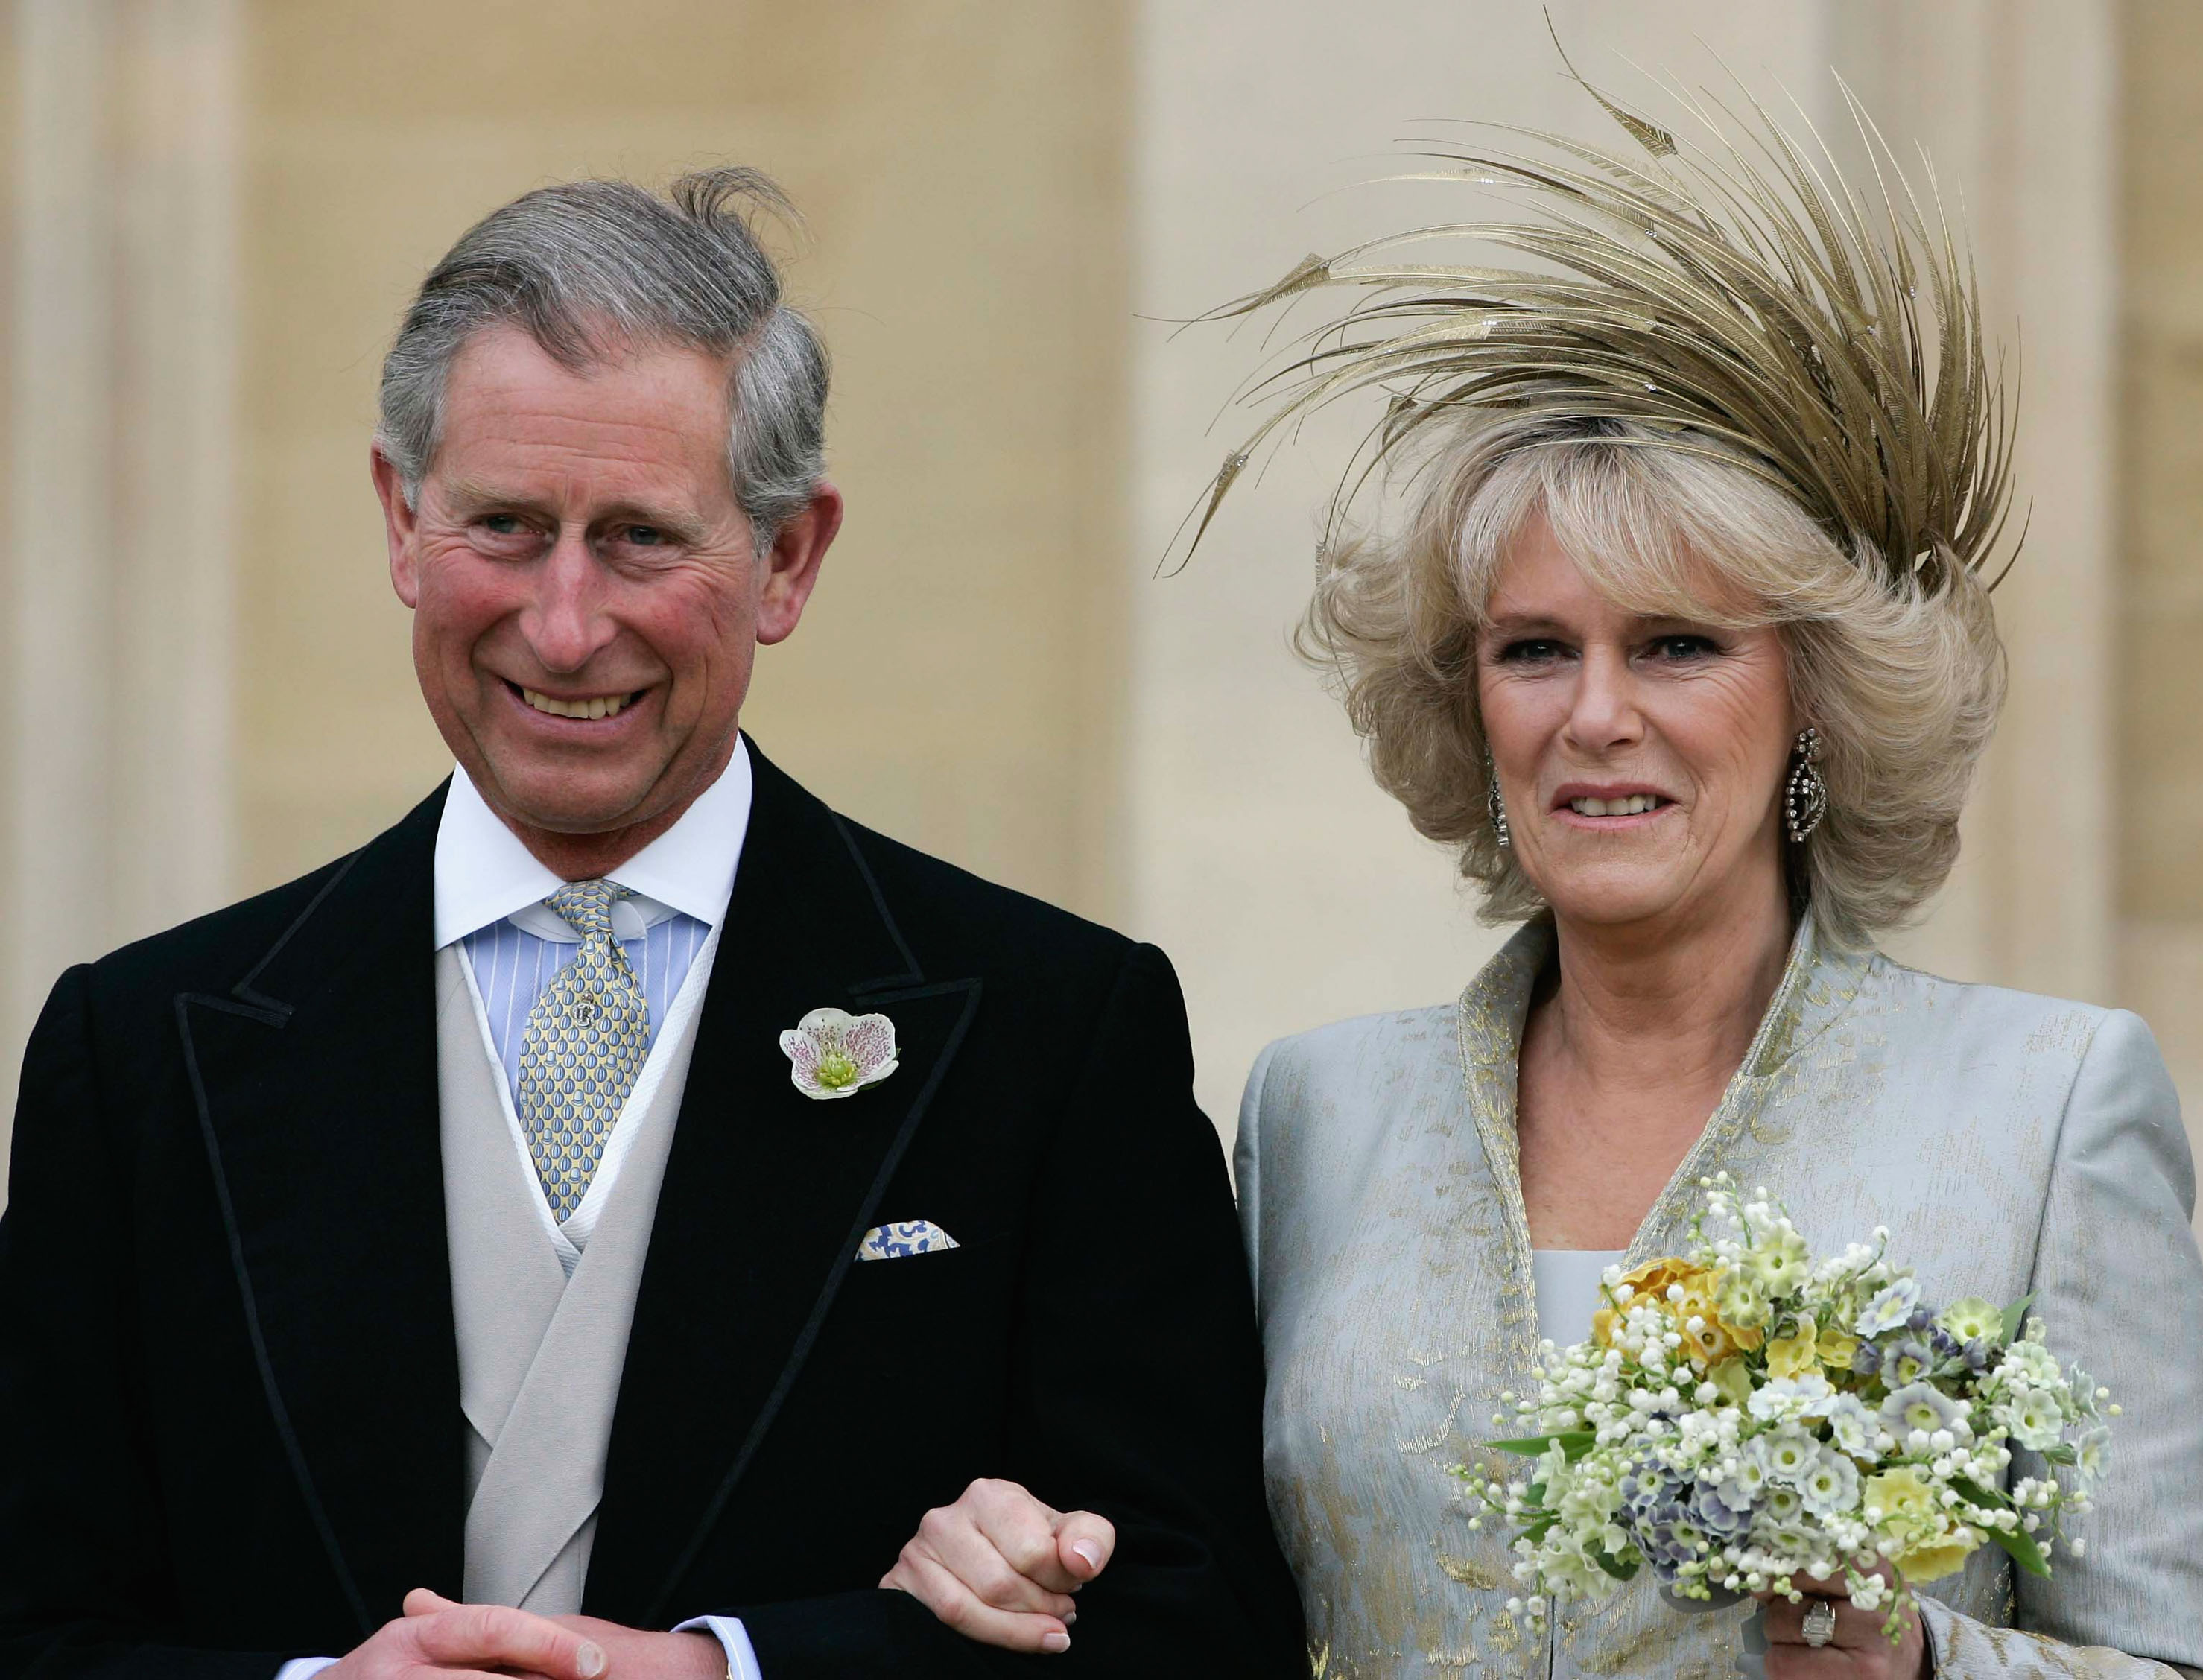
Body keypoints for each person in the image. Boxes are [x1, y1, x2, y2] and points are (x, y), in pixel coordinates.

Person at [931, 59, 2203, 1680]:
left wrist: (1924, 1664)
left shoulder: (2046, 1103)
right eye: (1536, 650)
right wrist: (1015, 1551)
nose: (1596, 718)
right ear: (1468, 706)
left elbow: (2174, 1665)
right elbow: (1205, 1598)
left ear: (1816, 695)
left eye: (1679, 645)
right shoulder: (1316, 1114)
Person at [0, 168, 1302, 1679]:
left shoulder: (1052, 1033)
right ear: (399, 518)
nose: (564, 626)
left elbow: (1188, 1626)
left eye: (638, 539)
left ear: (788, 559)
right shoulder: (145, 1050)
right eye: (503, 523)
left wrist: (730, 1673)